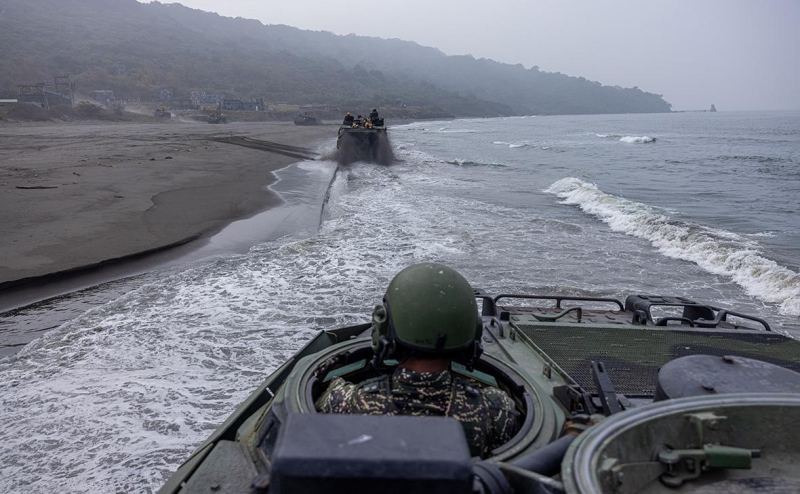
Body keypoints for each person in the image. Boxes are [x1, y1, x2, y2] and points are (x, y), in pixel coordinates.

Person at [316, 263, 520, 458]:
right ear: (472, 334)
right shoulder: (495, 409)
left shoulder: (346, 401)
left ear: (385, 327)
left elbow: (319, 402)